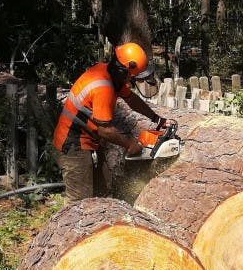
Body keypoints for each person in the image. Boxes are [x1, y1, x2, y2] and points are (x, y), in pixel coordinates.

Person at [52, 41, 170, 202]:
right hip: (73, 143)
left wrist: (157, 119)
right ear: (123, 71)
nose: (132, 80)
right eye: (133, 76)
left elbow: (131, 100)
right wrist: (130, 144)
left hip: (90, 139)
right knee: (79, 203)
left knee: (104, 190)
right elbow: (105, 130)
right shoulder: (103, 88)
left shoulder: (111, 75)